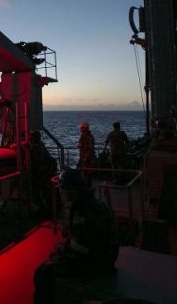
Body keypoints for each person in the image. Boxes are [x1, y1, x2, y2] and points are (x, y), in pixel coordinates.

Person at [33, 167, 120, 304]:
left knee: (42, 273)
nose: (62, 192)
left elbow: (80, 248)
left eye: (63, 189)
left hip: (98, 263)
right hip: (105, 256)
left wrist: (61, 251)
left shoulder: (82, 211)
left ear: (71, 189)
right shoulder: (92, 203)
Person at [28, 130, 57, 216]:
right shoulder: (41, 146)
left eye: (31, 137)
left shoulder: (37, 148)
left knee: (37, 192)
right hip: (44, 172)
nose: (30, 138)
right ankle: (48, 210)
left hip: (40, 173)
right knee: (44, 193)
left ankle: (46, 211)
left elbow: (35, 158)